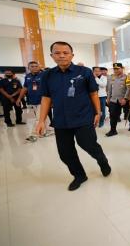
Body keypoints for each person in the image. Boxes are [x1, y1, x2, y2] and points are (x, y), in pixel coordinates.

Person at [36, 41, 111, 191]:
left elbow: (93, 93)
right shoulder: (47, 75)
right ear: (52, 56)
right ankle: (79, 175)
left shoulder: (84, 72)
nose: (62, 55)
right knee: (65, 152)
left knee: (88, 145)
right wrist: (41, 120)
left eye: (65, 52)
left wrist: (98, 112)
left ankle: (102, 161)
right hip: (61, 120)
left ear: (72, 55)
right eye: (57, 53)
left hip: (83, 117)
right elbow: (46, 98)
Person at [17, 61, 53, 141]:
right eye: (32, 66)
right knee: (43, 116)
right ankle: (49, 130)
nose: (34, 67)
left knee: (39, 118)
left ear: (39, 67)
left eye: (36, 66)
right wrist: (19, 98)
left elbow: (51, 87)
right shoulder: (28, 76)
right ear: (28, 68)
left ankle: (35, 134)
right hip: (32, 100)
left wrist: (52, 100)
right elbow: (25, 88)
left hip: (43, 99)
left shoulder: (44, 75)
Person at [105, 62, 130, 136]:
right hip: (114, 100)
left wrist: (125, 98)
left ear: (122, 68)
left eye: (117, 69)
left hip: (124, 99)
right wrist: (108, 98)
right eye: (114, 69)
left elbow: (129, 89)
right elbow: (109, 89)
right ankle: (113, 130)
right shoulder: (112, 77)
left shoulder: (127, 77)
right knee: (113, 115)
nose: (116, 70)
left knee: (128, 113)